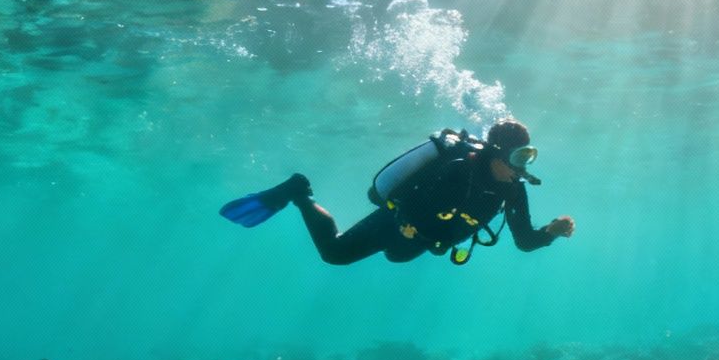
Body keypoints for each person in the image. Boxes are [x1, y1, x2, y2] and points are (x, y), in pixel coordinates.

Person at [220, 118, 575, 265]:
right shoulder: (459, 169)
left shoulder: (513, 191)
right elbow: (405, 199)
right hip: (402, 221)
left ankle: (405, 242)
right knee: (335, 254)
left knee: (398, 257)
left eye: (527, 156)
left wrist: (551, 232)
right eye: (517, 156)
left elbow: (525, 240)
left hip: (427, 238)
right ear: (497, 152)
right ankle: (300, 193)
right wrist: (408, 225)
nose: (522, 166)